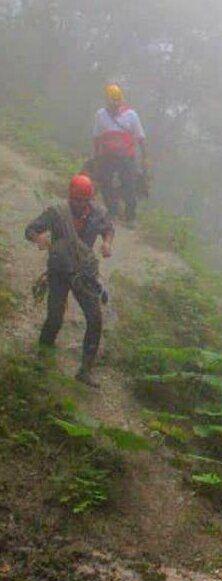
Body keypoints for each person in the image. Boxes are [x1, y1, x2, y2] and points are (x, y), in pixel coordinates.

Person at [24, 174, 114, 387]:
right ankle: (42, 358)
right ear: (70, 196)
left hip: (84, 273)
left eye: (84, 200)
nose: (80, 204)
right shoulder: (57, 213)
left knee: (95, 319)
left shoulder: (98, 214)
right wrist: (39, 238)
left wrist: (107, 243)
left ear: (90, 199)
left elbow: (108, 228)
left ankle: (85, 370)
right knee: (54, 318)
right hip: (59, 271)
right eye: (76, 199)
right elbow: (30, 229)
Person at [92, 83, 148, 222]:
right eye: (112, 101)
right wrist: (96, 156)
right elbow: (96, 137)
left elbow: (141, 137)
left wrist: (145, 157)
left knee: (129, 185)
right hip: (107, 156)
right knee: (105, 182)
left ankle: (130, 217)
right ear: (107, 101)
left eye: (117, 101)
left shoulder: (131, 115)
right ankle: (112, 210)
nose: (115, 104)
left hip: (127, 157)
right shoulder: (101, 115)